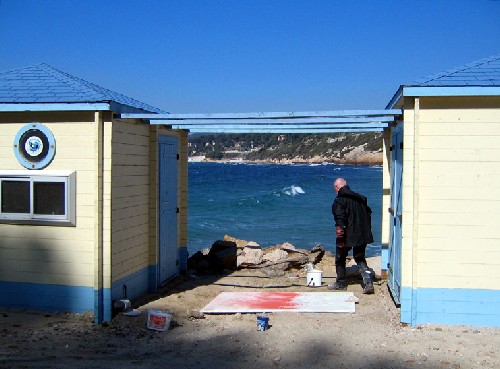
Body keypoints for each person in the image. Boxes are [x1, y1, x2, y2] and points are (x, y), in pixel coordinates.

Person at [328, 177, 375, 294]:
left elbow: (340, 220)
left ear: (337, 187)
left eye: (335, 188)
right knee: (360, 258)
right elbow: (368, 214)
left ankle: (341, 283)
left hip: (347, 234)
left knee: (340, 258)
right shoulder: (360, 198)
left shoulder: (339, 200)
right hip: (362, 233)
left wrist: (340, 237)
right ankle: (368, 283)